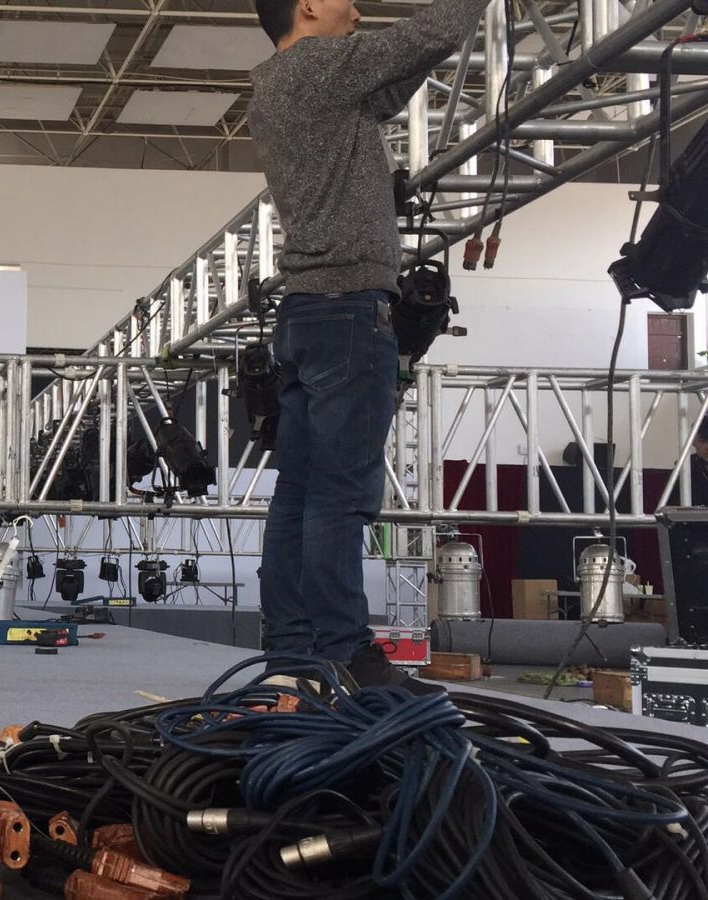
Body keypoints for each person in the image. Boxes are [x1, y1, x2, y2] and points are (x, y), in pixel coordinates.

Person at [249, 0, 488, 691]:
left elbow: (390, 82)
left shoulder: (282, 85)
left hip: (308, 312)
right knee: (339, 495)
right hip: (348, 309)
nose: (356, 10)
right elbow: (432, 32)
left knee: (299, 491)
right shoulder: (318, 67)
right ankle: (347, 652)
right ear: (306, 7)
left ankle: (292, 653)